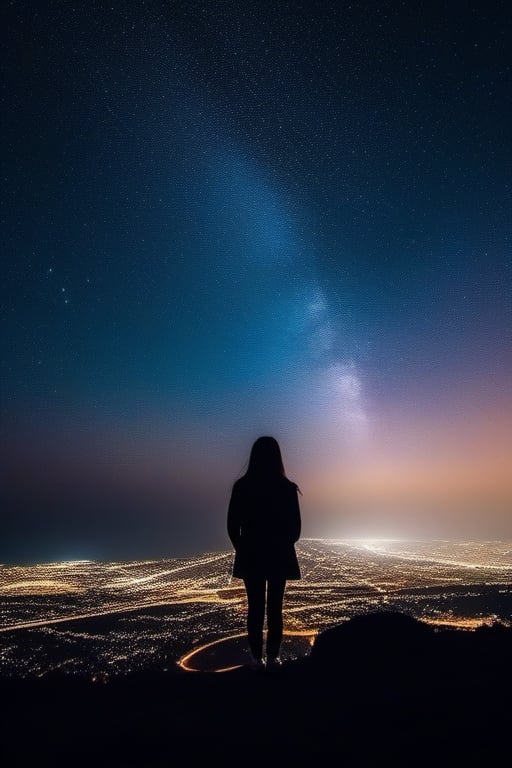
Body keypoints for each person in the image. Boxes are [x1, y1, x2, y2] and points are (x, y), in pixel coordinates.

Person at [227, 435, 302, 668]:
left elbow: (232, 525)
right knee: (275, 608)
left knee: (255, 607)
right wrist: (281, 544)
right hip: (279, 555)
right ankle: (272, 658)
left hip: (252, 555)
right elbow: (296, 529)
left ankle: (256, 658)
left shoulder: (242, 487)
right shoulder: (287, 488)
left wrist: (244, 548)